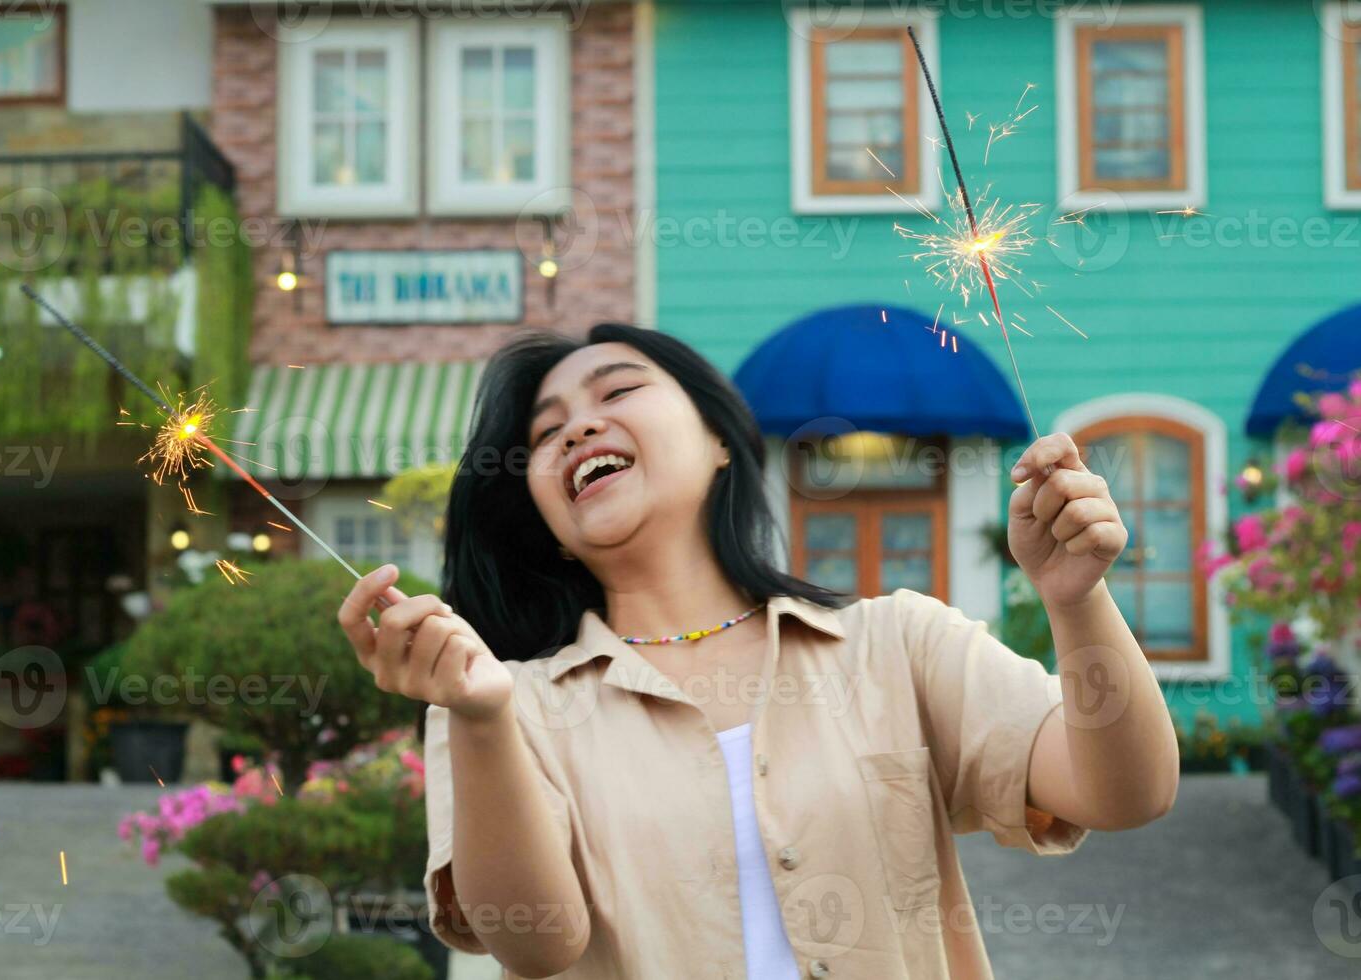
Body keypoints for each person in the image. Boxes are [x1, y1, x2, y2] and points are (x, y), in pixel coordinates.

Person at [338, 323, 1179, 979]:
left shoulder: (897, 643)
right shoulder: (496, 705)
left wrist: (1078, 601)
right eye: (545, 432)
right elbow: (538, 946)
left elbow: (1129, 791)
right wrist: (483, 718)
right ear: (547, 525)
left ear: (717, 443)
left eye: (619, 389)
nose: (578, 426)